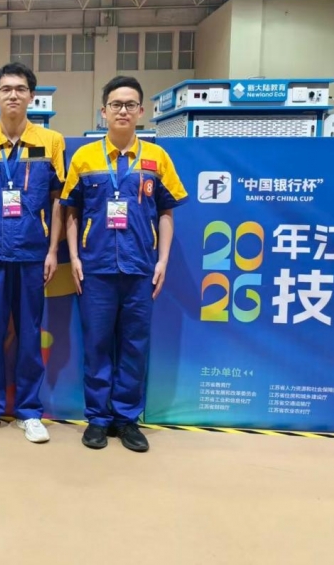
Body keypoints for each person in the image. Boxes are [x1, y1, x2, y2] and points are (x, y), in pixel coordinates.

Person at [61, 75, 187, 452]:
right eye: (116, 104)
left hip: (140, 269)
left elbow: (166, 213)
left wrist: (162, 261)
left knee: (134, 346)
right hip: (95, 269)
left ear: (141, 111)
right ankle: (98, 419)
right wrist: (74, 257)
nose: (123, 111)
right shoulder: (84, 158)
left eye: (130, 105)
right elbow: (70, 213)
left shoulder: (157, 159)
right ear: (103, 112)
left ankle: (127, 419)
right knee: (97, 345)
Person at [0, 63, 66, 443]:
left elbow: (58, 200)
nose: (13, 95)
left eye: (21, 89)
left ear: (31, 96)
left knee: (30, 334)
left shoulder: (51, 141)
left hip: (32, 254)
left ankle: (28, 411)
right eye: (6, 89)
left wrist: (52, 251)